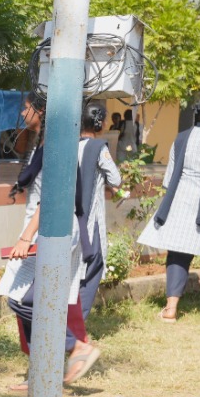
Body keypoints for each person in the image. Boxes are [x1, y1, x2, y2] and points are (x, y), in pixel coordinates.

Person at [0, 93, 100, 387]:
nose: (21, 112)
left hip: (51, 230)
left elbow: (52, 198)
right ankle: (42, 373)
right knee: (25, 299)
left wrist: (26, 237)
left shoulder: (58, 147)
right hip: (43, 229)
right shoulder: (43, 143)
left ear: (41, 111)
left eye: (26, 107)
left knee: (26, 299)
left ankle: (75, 345)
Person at [138, 90, 200, 321]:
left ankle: (171, 309)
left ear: (198, 113)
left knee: (178, 252)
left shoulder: (181, 137)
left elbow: (170, 178)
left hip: (181, 198)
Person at [76, 100, 122, 323]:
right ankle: (77, 324)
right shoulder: (98, 147)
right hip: (90, 216)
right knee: (93, 264)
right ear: (100, 123)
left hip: (70, 216)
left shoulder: (71, 144)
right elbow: (116, 178)